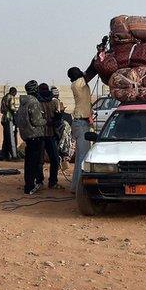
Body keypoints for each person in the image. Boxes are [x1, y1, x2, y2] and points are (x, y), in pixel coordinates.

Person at [15, 80, 47, 195]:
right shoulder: (34, 102)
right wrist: (46, 120)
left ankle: (28, 185)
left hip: (27, 136)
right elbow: (37, 121)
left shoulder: (23, 103)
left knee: (28, 163)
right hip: (35, 136)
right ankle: (31, 186)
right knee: (34, 163)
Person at [68, 63, 96, 193]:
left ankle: (75, 187)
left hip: (82, 123)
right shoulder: (78, 84)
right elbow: (90, 72)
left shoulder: (79, 84)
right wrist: (96, 60)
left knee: (81, 156)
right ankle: (80, 188)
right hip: (80, 123)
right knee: (83, 157)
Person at [37, 83, 63, 190]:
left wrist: (56, 119)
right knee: (40, 160)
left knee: (54, 159)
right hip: (42, 135)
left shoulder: (52, 103)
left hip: (50, 134)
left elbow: (57, 119)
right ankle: (40, 181)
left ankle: (52, 181)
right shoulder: (37, 104)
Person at [0, 87, 19, 160]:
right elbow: (12, 107)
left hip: (4, 119)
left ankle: (4, 154)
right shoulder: (11, 97)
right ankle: (13, 155)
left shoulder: (4, 97)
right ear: (13, 92)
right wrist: (18, 110)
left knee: (6, 137)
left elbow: (1, 110)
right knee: (11, 138)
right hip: (9, 119)